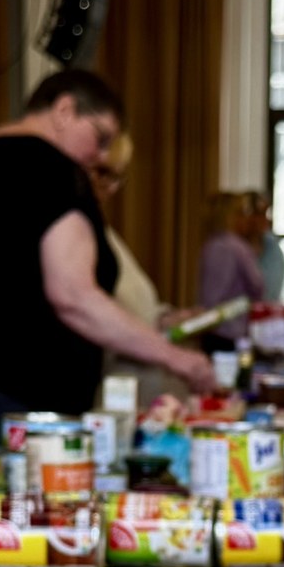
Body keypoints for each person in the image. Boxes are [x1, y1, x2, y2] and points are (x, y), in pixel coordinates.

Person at [0, 70, 213, 444]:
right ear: (64, 110)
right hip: (22, 397)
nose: (99, 155)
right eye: (100, 138)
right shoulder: (56, 170)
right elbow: (73, 297)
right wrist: (176, 358)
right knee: (30, 502)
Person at [90, 133, 171, 408]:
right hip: (102, 394)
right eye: (102, 173)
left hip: (128, 391)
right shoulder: (75, 232)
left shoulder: (99, 228)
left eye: (117, 177)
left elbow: (129, 302)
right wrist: (174, 357)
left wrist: (162, 317)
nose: (110, 187)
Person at [196, 192, 265, 331]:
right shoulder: (235, 247)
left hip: (210, 325)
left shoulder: (211, 245)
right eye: (241, 213)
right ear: (229, 216)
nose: (246, 218)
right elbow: (258, 286)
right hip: (231, 329)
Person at [242, 191, 284, 304]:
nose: (263, 219)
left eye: (264, 214)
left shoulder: (272, 247)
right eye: (256, 214)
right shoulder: (232, 249)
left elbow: (272, 292)